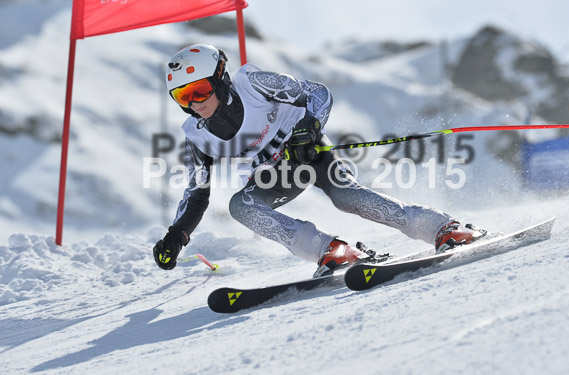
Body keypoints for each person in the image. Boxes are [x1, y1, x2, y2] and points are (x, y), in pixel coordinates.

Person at [153, 43, 484, 277]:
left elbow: (317, 93)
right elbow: (196, 194)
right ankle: (334, 251)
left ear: (220, 77)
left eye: (199, 90)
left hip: (307, 149)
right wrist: (177, 236)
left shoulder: (254, 84)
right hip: (274, 175)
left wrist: (307, 128)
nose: (195, 102)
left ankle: (445, 228)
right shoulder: (197, 135)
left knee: (346, 196)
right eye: (183, 96)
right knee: (242, 206)